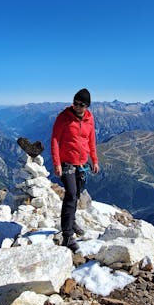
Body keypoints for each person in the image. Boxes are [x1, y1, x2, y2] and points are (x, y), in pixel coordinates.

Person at [51, 88, 99, 251]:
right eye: (75, 103)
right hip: (66, 163)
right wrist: (57, 163)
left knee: (77, 194)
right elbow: (55, 140)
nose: (77, 107)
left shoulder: (89, 119)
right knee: (71, 194)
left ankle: (71, 221)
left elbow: (91, 140)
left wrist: (94, 160)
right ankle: (67, 235)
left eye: (81, 104)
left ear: (87, 106)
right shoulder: (63, 117)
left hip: (82, 163)